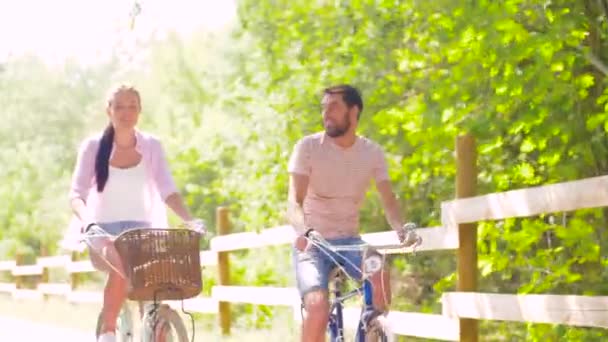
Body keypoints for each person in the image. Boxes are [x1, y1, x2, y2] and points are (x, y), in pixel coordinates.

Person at [287, 84, 421, 342]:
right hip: (313, 244)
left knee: (379, 273)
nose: (327, 113)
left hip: (351, 243)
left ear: (354, 111)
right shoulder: (308, 148)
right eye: (324, 108)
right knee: (317, 307)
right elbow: (294, 202)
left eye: (334, 107)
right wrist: (303, 231)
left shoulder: (371, 153)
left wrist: (402, 230)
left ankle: (370, 331)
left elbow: (389, 200)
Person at [66, 84, 200, 342]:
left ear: (139, 111)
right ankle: (107, 331)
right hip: (101, 231)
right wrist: (89, 223)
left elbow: (168, 190)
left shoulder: (151, 145)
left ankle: (153, 327)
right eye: (119, 107)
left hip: (141, 231)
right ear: (109, 110)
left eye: (132, 107)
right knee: (119, 268)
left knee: (153, 282)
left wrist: (189, 219)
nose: (126, 113)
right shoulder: (93, 147)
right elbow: (77, 194)